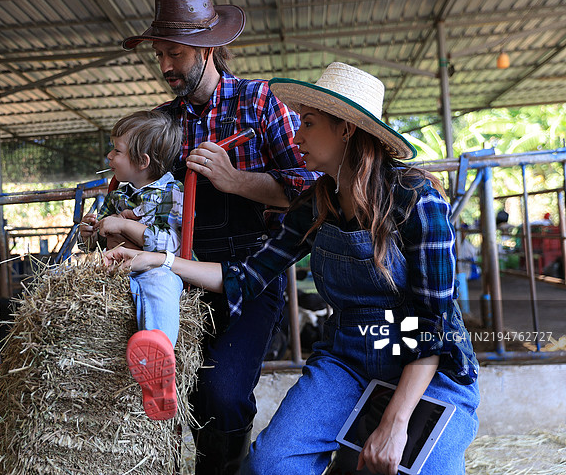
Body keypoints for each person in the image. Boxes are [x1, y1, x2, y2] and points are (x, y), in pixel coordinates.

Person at [105, 62, 480, 475]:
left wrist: (395, 421)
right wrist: (160, 260)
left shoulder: (416, 197)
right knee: (268, 466)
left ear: (347, 130)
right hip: (349, 359)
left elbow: (433, 325)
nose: (296, 136)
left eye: (309, 123)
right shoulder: (317, 204)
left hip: (428, 366)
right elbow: (244, 278)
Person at [122, 0, 319, 472]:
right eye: (161, 54)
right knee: (189, 388)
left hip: (250, 271)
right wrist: (127, 214)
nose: (166, 66)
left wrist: (237, 181)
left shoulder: (259, 102)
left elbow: (311, 191)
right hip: (181, 271)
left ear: (208, 49)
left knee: (224, 391)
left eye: (176, 54)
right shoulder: (165, 121)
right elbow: (139, 183)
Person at [79, 110, 185, 421]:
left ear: (143, 162)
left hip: (152, 268)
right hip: (113, 269)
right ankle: (19, 362)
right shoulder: (117, 193)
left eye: (116, 150)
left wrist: (125, 228)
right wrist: (91, 233)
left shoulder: (171, 192)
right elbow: (102, 240)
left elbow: (172, 244)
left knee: (162, 287)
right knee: (61, 280)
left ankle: (158, 366)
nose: (109, 155)